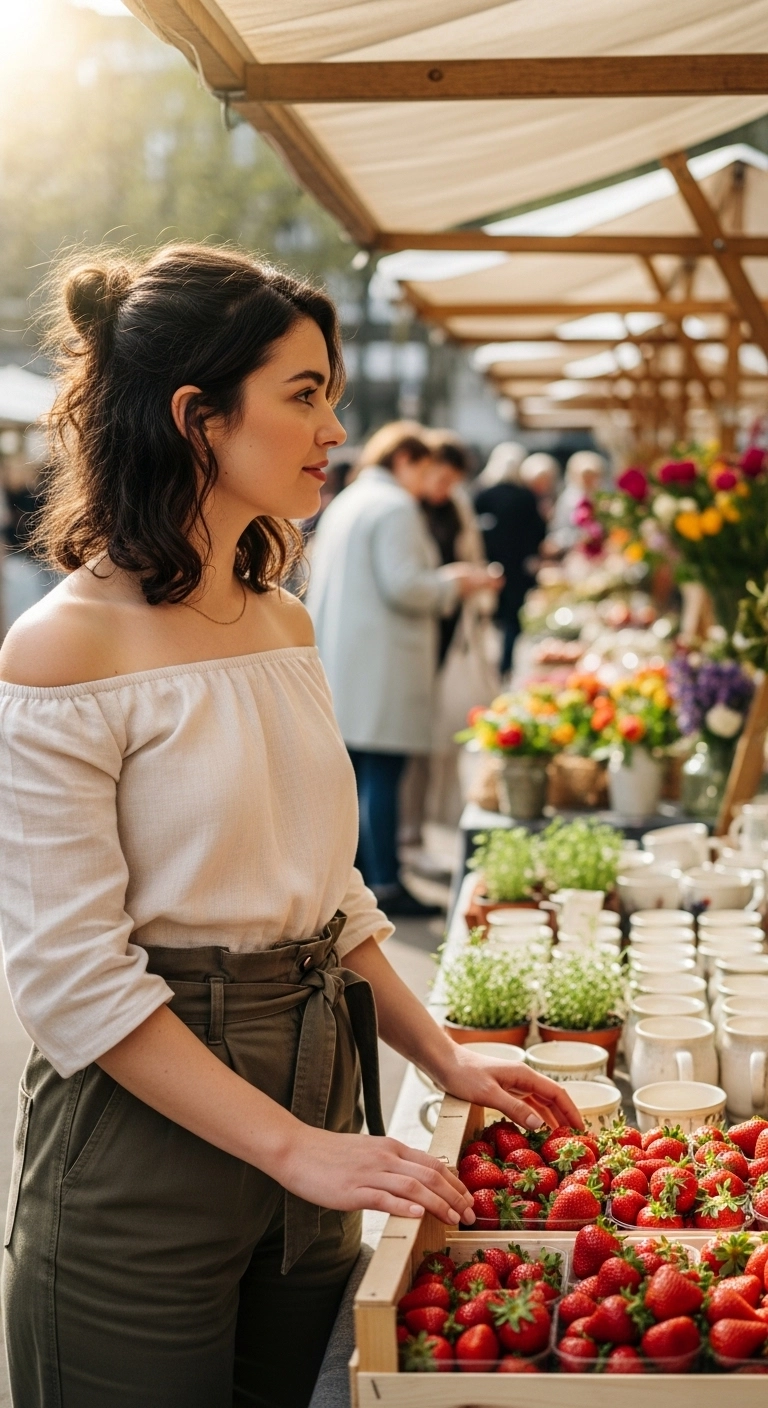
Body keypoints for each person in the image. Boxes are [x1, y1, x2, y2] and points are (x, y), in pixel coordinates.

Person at [0, 245, 581, 1408]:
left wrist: (445, 1055)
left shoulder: (282, 622)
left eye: (335, 397)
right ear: (197, 417)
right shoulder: (65, 646)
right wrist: (290, 1146)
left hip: (320, 1102)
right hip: (144, 1152)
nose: (335, 429)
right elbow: (71, 982)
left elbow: (337, 896)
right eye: (305, 394)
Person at [307, 422, 500, 916]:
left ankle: (362, 878)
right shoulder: (394, 506)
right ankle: (386, 882)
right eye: (427, 469)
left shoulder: (351, 500)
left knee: (358, 775)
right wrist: (453, 583)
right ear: (407, 461)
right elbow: (406, 587)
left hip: (350, 661)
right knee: (382, 777)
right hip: (382, 663)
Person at [474, 441, 548, 676]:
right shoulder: (525, 497)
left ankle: (489, 664)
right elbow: (539, 532)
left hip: (488, 566)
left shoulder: (483, 495)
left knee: (488, 617)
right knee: (512, 617)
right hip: (518, 567)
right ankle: (505, 662)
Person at [547, 449, 607, 552]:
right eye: (585, 476)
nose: (589, 480)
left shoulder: (603, 496)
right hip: (575, 551)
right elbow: (559, 530)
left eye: (592, 475)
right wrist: (579, 537)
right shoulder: (569, 499)